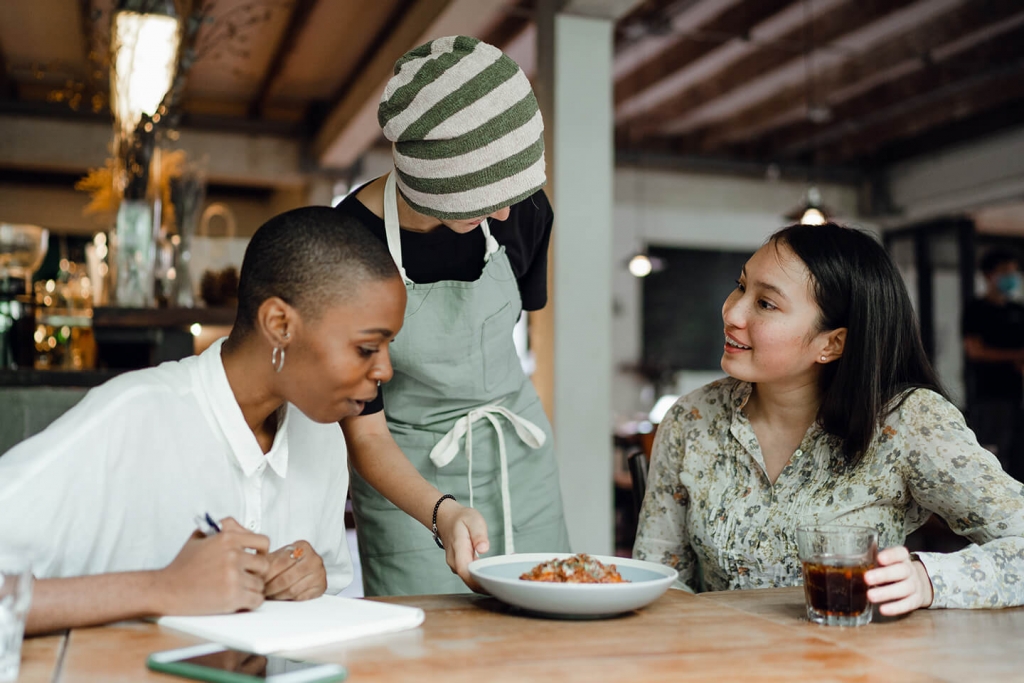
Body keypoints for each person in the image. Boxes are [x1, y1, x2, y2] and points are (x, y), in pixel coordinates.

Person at [0, 207, 487, 635]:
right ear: (279, 324)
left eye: (386, 348)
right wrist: (160, 588)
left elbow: (315, 604)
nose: (384, 371)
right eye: (366, 348)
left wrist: (309, 581)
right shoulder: (132, 417)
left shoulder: (322, 437)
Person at [634, 223, 1024, 614]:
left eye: (766, 304)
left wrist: (930, 580)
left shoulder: (905, 421)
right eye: (740, 285)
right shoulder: (692, 417)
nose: (732, 311)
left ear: (833, 343)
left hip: (853, 666)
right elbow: (659, 579)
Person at [335, 35, 570, 596]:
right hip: (408, 475)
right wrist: (439, 511)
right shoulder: (345, 249)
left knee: (547, 632)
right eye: (485, 195)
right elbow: (364, 432)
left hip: (520, 459)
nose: (507, 210)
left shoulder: (523, 210)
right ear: (433, 180)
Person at [962, 248, 1024, 479]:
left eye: (1014, 272)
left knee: (1016, 452)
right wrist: (1015, 356)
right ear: (989, 275)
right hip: (989, 395)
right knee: (993, 453)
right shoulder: (977, 309)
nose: (1011, 277)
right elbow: (975, 351)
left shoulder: (1018, 310)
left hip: (1016, 395)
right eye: (1004, 272)